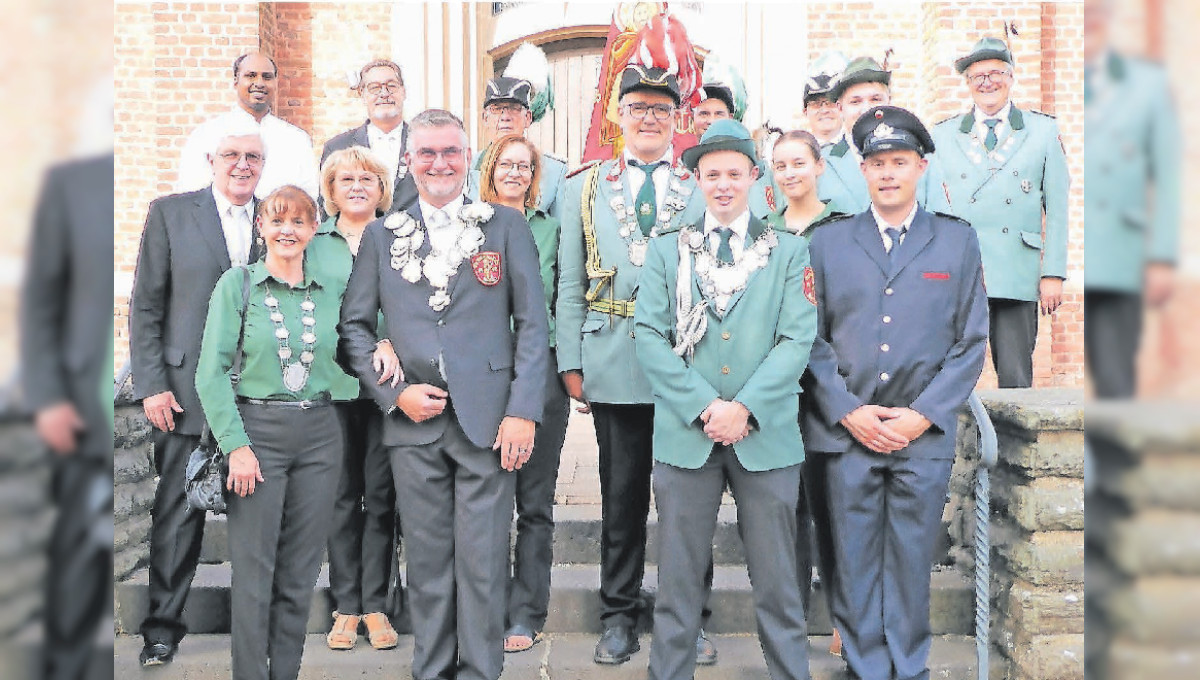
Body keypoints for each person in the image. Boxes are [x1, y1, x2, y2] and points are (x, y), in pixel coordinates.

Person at [338, 108, 549, 680]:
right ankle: (430, 671)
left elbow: (532, 325)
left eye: (450, 152)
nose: (438, 163)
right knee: (428, 565)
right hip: (413, 425)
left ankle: (482, 671)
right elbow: (353, 328)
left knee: (482, 564)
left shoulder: (504, 228)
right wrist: (394, 393)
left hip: (488, 423)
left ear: (467, 157)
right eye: (426, 152)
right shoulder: (382, 236)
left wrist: (523, 411)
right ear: (409, 161)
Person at [803, 106, 988, 680]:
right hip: (848, 434)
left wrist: (923, 416)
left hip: (920, 437)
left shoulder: (956, 242)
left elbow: (970, 341)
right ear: (862, 171)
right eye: (877, 163)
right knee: (854, 558)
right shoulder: (829, 244)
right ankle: (864, 666)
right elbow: (810, 341)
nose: (888, 173)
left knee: (910, 560)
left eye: (899, 162)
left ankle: (909, 667)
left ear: (920, 167)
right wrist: (849, 411)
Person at [636, 118, 818, 680]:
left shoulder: (787, 251)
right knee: (678, 580)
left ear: (754, 178)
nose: (722, 184)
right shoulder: (669, 252)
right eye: (711, 174)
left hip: (765, 435)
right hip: (686, 435)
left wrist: (744, 407)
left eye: (733, 174)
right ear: (695, 180)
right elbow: (648, 335)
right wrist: (704, 405)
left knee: (779, 581)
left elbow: (797, 337)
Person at [556, 63, 706, 666]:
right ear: (617, 116)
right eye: (638, 107)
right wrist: (572, 358)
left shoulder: (700, 186)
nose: (649, 118)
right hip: (612, 355)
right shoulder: (582, 188)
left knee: (687, 499)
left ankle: (688, 614)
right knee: (620, 498)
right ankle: (618, 612)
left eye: (660, 110)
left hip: (683, 360)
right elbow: (569, 282)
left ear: (677, 120)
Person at [195, 185, 350, 680]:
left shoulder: (327, 292)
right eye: (277, 220)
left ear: (312, 230)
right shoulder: (237, 285)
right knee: (255, 573)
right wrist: (236, 446)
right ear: (261, 226)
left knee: (300, 573)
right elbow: (210, 373)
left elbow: (354, 346)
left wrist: (385, 344)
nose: (288, 230)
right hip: (256, 433)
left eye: (299, 222)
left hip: (321, 434)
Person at [130, 122, 266, 666]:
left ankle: (257, 633)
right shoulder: (170, 213)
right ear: (211, 160)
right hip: (184, 394)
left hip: (258, 394)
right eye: (231, 155)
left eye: (253, 156)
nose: (242, 165)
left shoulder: (276, 214)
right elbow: (146, 305)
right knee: (178, 516)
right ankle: (162, 628)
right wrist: (153, 385)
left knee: (254, 518)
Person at [21, 152, 115, 680]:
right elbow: (40, 298)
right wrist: (47, 395)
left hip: (153, 396)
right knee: (76, 551)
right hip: (78, 401)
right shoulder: (71, 183)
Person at [476, 134, 571, 653]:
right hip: (481, 375)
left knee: (535, 503)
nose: (514, 173)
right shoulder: (467, 225)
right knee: (485, 500)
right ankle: (484, 605)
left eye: (524, 167)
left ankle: (526, 612)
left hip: (540, 371)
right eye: (505, 164)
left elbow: (565, 295)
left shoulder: (551, 229)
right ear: (489, 169)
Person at [932, 37, 1071, 389]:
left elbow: (1057, 207)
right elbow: (933, 208)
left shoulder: (1042, 130)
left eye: (996, 73)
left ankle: (1017, 446)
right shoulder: (944, 135)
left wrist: (1052, 272)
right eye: (978, 76)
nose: (987, 83)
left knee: (1015, 375)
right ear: (967, 84)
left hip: (1017, 271)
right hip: (961, 271)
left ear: (1011, 78)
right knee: (953, 376)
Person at [312, 147, 405, 651]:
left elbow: (412, 303)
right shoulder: (313, 240)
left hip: (387, 388)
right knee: (342, 498)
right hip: (331, 388)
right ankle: (346, 606)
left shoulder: (400, 237)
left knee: (382, 496)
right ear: (330, 188)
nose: (357, 186)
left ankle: (377, 604)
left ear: (381, 187)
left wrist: (388, 338)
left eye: (367, 178)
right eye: (346, 178)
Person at [765, 129, 848, 654]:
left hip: (827, 379)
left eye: (799, 162)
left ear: (818, 166)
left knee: (833, 503)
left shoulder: (842, 227)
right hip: (777, 383)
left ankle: (844, 617)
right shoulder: (762, 230)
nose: (791, 172)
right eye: (780, 165)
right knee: (785, 506)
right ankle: (790, 621)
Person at [1083, 0, 1179, 398]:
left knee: (1115, 373)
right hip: (1071, 255)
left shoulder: (1148, 84)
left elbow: (1168, 174)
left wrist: (1162, 257)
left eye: (1094, 9)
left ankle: (1116, 460)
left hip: (1121, 251)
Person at [176, 52, 319, 201]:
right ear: (236, 81)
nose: (259, 83)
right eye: (250, 75)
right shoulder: (208, 135)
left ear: (276, 82)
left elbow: (309, 200)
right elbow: (191, 196)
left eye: (267, 77)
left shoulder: (296, 140)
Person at [821, 57, 952, 215]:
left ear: (889, 101)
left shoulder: (921, 159)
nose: (866, 109)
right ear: (840, 108)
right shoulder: (821, 164)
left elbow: (940, 223)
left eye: (875, 99)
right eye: (855, 102)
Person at [321, 59, 418, 215]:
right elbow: (327, 206)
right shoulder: (338, 147)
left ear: (403, 91)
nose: (384, 94)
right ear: (362, 94)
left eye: (391, 86)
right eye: (375, 88)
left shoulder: (423, 144)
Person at [467, 73, 567, 218]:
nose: (505, 117)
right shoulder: (468, 167)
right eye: (496, 109)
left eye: (514, 108)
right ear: (485, 118)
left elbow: (558, 232)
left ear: (528, 118)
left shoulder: (554, 172)